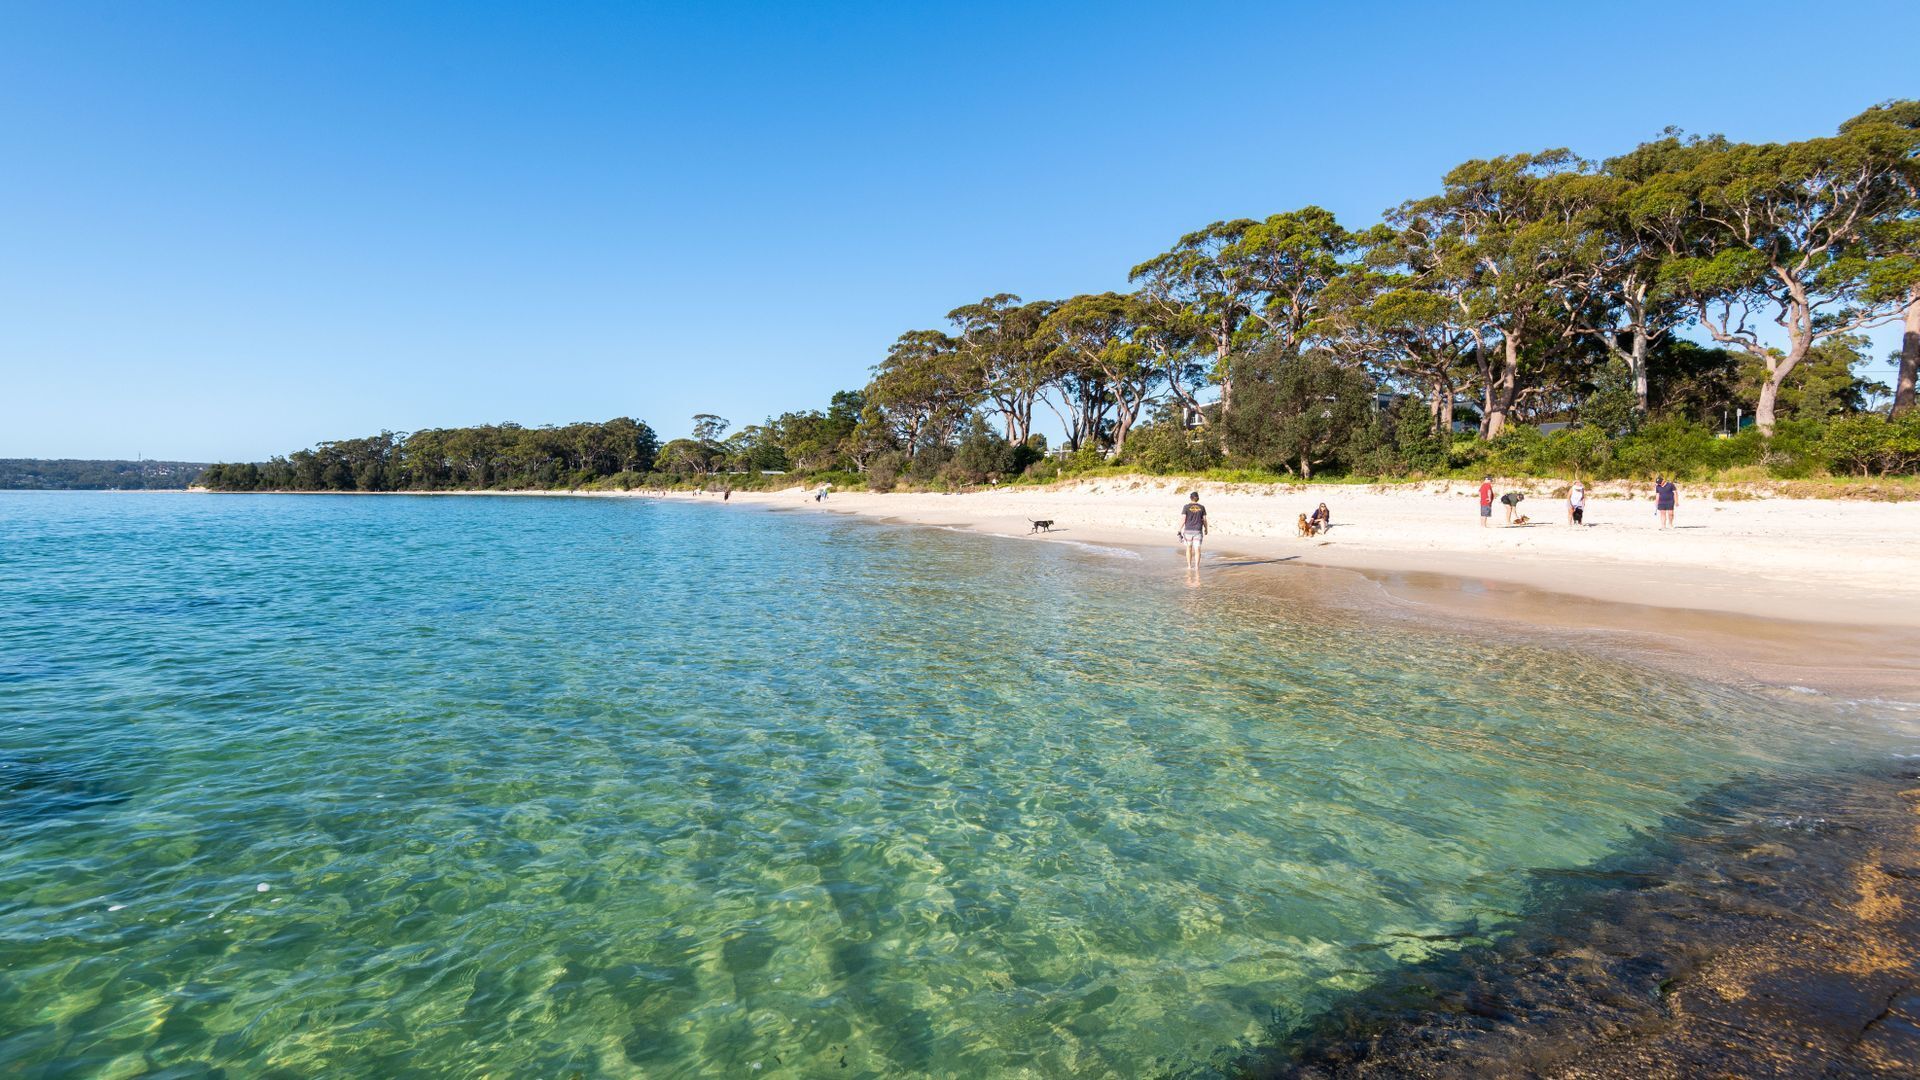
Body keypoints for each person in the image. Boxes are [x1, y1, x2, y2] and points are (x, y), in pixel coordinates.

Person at [1177, 490, 1207, 569]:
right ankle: (1196, 567)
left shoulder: (1186, 507)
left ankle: (1189, 566)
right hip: (1198, 531)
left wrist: (1179, 530)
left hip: (1188, 531)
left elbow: (1183, 519)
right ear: (1198, 498)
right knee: (1197, 549)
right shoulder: (1202, 507)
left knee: (1188, 548)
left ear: (1190, 498)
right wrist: (1206, 529)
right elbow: (1204, 520)